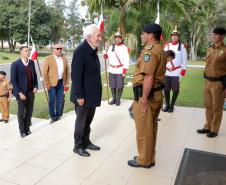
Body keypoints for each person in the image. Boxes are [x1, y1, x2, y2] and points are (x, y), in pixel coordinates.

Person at [128, 23, 166, 168]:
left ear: (150, 35)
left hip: (148, 96)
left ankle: (144, 160)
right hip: (156, 94)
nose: (141, 35)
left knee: (144, 129)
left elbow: (149, 77)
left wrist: (143, 98)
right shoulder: (159, 48)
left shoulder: (150, 51)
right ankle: (148, 157)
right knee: (151, 128)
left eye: (143, 33)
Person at [70, 24, 102, 157]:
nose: (100, 38)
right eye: (98, 36)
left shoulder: (92, 50)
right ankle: (78, 146)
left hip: (92, 94)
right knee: (81, 121)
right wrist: (79, 96)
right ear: (89, 37)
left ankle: (86, 141)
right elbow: (76, 75)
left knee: (88, 121)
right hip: (83, 95)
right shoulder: (81, 51)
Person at [197, 27, 226, 138]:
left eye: (216, 34)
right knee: (208, 105)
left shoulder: (225, 50)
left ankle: (214, 129)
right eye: (213, 34)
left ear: (222, 36)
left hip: (218, 83)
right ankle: (207, 126)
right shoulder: (210, 48)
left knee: (217, 107)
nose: (213, 36)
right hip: (208, 81)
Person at [10, 46, 38, 138]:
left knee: (29, 111)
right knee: (21, 112)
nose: (28, 52)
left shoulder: (31, 63)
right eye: (26, 51)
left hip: (30, 91)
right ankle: (22, 131)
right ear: (21, 53)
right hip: (21, 93)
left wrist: (35, 86)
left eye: (29, 51)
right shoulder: (15, 64)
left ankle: (27, 128)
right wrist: (19, 93)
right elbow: (13, 80)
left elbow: (35, 76)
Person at [162, 26, 187, 113]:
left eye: (176, 35)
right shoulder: (167, 46)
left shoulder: (182, 47)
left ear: (178, 37)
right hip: (166, 72)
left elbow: (184, 62)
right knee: (166, 89)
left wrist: (181, 74)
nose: (174, 37)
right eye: (172, 35)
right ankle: (167, 105)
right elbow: (162, 58)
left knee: (175, 90)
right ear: (171, 36)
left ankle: (172, 105)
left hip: (176, 72)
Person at [42, 44, 69, 124]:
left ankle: (58, 115)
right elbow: (44, 73)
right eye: (57, 48)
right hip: (51, 83)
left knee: (60, 100)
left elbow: (67, 72)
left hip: (61, 82)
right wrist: (47, 85)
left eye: (60, 48)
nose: (59, 50)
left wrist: (66, 82)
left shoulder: (64, 59)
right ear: (53, 50)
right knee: (51, 101)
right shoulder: (48, 58)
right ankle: (52, 117)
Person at [104, 31, 129, 106]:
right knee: (112, 85)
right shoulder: (111, 47)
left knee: (120, 85)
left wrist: (124, 71)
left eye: (118, 38)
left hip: (120, 69)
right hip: (112, 69)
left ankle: (118, 99)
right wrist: (105, 52)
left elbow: (126, 60)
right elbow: (107, 57)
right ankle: (114, 98)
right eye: (116, 38)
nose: (117, 39)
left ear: (121, 39)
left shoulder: (124, 48)